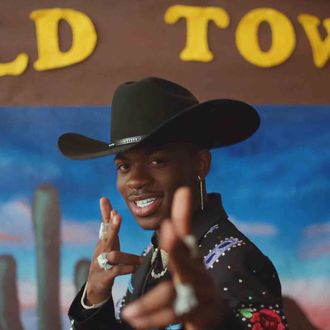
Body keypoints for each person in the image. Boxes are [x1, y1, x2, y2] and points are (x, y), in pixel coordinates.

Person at [58, 77, 288, 330]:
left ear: (201, 164)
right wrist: (95, 295)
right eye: (124, 166)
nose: (135, 180)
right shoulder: (151, 258)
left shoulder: (236, 262)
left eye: (157, 161)